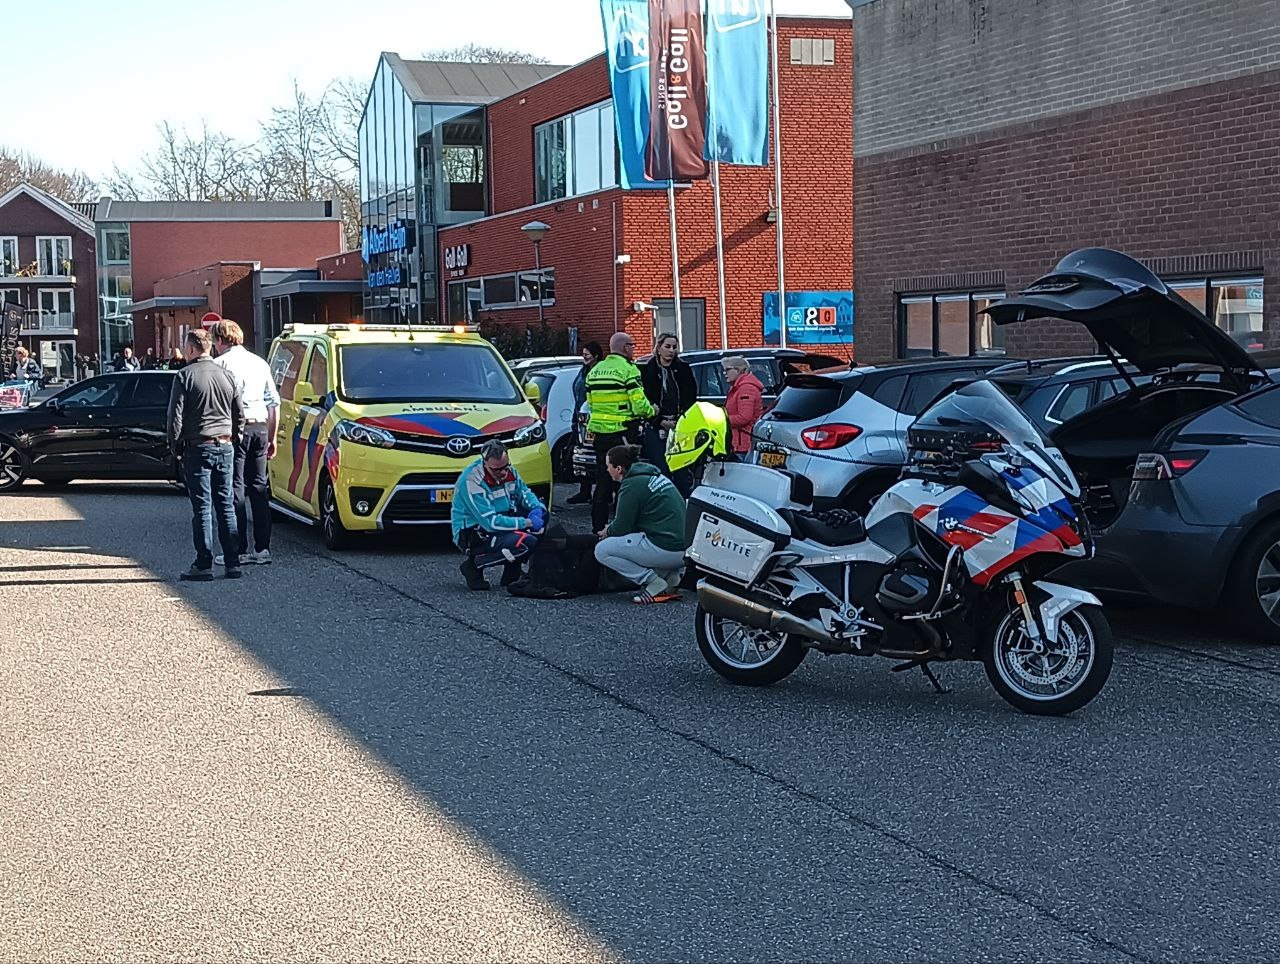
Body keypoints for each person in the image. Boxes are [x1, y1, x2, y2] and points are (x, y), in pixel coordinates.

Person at [167, 328, 244, 582]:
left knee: (202, 508)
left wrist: (176, 448)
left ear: (190, 349)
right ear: (209, 347)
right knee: (226, 505)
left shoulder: (185, 376)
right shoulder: (227, 376)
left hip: (198, 445)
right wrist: (235, 438)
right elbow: (238, 414)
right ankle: (233, 563)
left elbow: (174, 418)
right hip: (225, 444)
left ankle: (204, 564)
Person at [212, 320, 280, 567]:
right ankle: (262, 549)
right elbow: (274, 402)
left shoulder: (220, 365)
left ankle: (238, 548)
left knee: (235, 488)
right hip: (260, 427)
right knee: (259, 489)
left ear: (220, 340)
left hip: (234, 430)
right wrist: (272, 436)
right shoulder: (259, 362)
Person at [594, 444, 688, 604]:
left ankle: (653, 582)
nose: (607, 470)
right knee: (646, 534)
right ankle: (672, 578)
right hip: (684, 550)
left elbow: (622, 528)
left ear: (619, 469)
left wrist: (606, 531)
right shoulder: (654, 475)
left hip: (666, 548)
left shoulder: (632, 485)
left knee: (602, 550)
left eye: (608, 466)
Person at [451, 440, 548, 591]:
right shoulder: (471, 481)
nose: (503, 473)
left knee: (542, 516)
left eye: (505, 467)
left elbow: (524, 493)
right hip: (474, 532)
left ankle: (512, 572)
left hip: (500, 520)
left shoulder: (507, 471)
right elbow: (490, 522)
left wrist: (537, 508)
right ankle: (474, 566)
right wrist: (527, 522)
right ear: (485, 463)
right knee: (526, 542)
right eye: (497, 470)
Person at [586, 331, 654, 532]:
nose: (633, 349)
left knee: (603, 479)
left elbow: (590, 403)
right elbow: (640, 405)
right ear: (625, 347)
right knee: (625, 482)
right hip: (622, 432)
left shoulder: (595, 371)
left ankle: (597, 528)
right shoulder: (628, 370)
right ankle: (622, 526)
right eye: (632, 345)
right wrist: (653, 411)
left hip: (599, 434)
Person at [640, 332, 697, 493]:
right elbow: (644, 400)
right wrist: (659, 421)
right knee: (661, 468)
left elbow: (691, 397)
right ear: (658, 348)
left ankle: (684, 503)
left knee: (681, 471)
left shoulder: (683, 369)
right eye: (667, 347)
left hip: (680, 425)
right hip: (656, 425)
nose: (671, 351)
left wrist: (681, 419)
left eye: (674, 347)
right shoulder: (648, 370)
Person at [567, 340, 604, 505]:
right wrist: (575, 420)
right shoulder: (583, 371)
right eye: (583, 355)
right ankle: (585, 490)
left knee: (596, 456)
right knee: (581, 454)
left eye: (587, 355)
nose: (584, 357)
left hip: (594, 420)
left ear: (596, 356)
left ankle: (602, 492)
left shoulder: (599, 372)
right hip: (580, 418)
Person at [723, 356, 765, 456]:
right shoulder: (737, 387)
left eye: (728, 369)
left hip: (744, 444)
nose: (725, 373)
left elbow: (744, 417)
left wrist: (722, 420)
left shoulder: (746, 388)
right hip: (738, 443)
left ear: (739, 370)